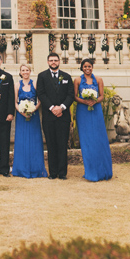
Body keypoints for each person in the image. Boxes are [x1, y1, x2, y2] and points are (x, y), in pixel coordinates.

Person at [74, 58, 114, 182]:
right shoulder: (77, 80)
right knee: (87, 141)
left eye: (89, 66)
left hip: (96, 110)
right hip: (83, 111)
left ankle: (104, 170)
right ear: (82, 68)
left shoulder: (99, 79)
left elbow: (101, 95)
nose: (87, 68)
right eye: (85, 66)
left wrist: (94, 100)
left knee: (99, 139)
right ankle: (90, 171)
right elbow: (74, 96)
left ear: (92, 67)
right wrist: (85, 101)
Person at [37, 52, 75, 180]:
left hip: (63, 117)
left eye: (55, 60)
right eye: (51, 60)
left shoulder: (67, 77)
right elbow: (41, 94)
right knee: (51, 145)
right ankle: (53, 173)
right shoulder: (42, 76)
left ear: (59, 62)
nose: (53, 62)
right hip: (49, 116)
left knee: (62, 144)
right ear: (48, 62)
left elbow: (71, 95)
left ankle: (62, 173)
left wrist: (62, 107)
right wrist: (52, 108)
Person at [12, 64, 47, 179]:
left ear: (30, 71)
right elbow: (15, 102)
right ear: (20, 72)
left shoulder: (35, 84)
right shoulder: (17, 85)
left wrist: (33, 109)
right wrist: (21, 111)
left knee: (35, 141)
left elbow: (40, 100)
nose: (25, 72)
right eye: (23, 70)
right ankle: (21, 168)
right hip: (21, 116)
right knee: (22, 141)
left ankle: (36, 169)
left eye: (27, 70)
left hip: (34, 115)